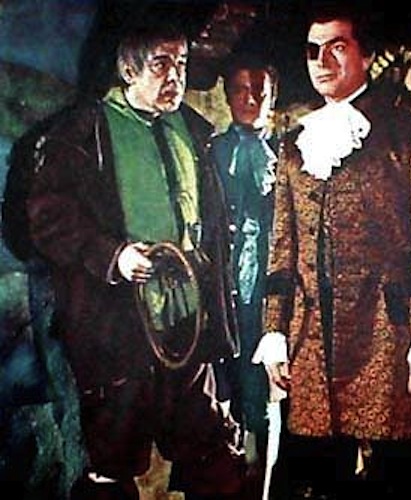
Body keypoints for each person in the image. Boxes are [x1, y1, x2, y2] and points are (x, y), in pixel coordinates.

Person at [252, 5, 411, 500]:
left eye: (337, 47)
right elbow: (282, 247)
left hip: (390, 344)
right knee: (313, 482)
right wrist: (274, 330)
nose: (322, 61)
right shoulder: (295, 145)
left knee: (399, 480)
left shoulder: (410, 134)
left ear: (366, 56)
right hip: (312, 346)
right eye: (313, 51)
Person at [24, 22, 246, 500]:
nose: (175, 77)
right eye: (161, 64)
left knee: (212, 453)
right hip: (117, 334)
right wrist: (114, 256)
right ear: (128, 70)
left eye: (181, 63)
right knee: (113, 462)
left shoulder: (193, 130)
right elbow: (47, 219)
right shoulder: (82, 133)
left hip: (187, 327)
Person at [208, 52, 278, 472]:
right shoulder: (211, 152)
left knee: (266, 390)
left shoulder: (292, 153)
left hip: (271, 288)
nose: (249, 100)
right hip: (224, 286)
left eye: (259, 92)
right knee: (224, 384)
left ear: (273, 96)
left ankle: (266, 471)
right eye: (239, 91)